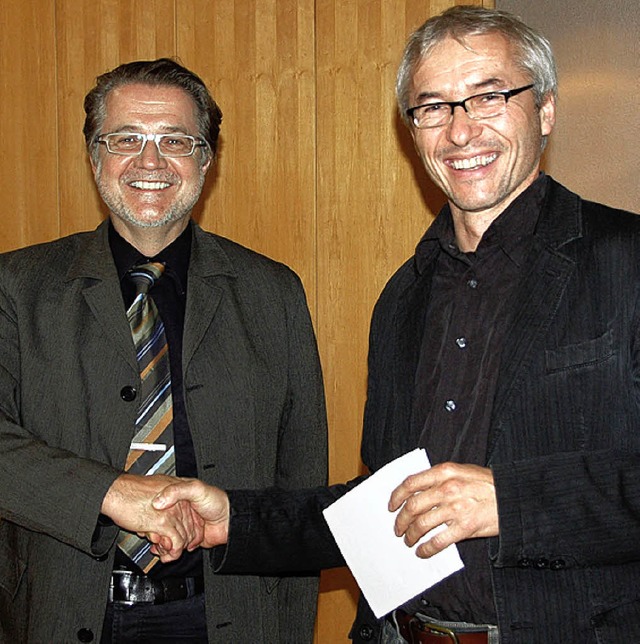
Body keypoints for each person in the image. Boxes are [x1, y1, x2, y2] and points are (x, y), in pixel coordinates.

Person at [152, 6, 640, 643]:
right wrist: (233, 520)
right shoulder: (403, 298)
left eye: (488, 96)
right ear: (412, 129)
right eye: (433, 106)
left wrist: (514, 502)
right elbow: (389, 504)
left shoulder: (626, 260)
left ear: (545, 110)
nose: (461, 132)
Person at [0, 58, 328, 643]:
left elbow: (297, 485)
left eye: (175, 141)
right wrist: (112, 493)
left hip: (227, 619)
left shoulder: (273, 293)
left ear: (207, 159)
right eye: (126, 138)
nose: (149, 162)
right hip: (58, 612)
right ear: (94, 155)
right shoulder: (16, 288)